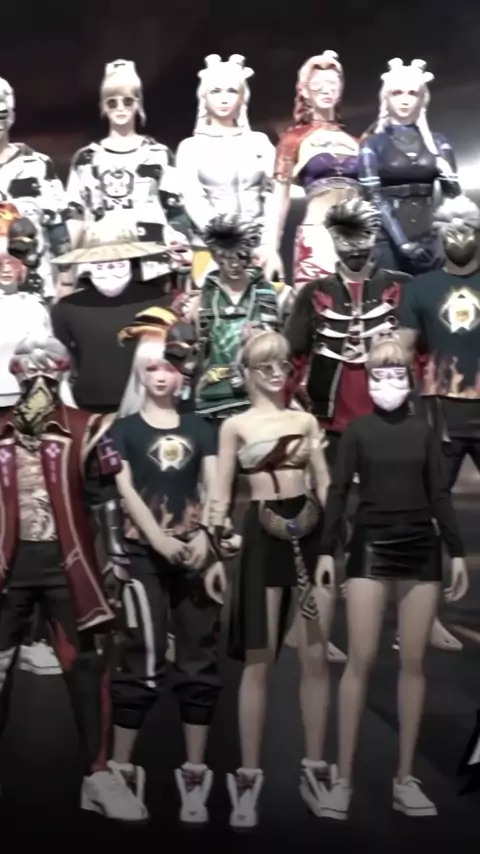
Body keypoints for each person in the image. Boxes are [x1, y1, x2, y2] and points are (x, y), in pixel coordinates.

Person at [317, 335, 468, 821]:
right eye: (379, 373)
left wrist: (456, 550)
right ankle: (342, 779)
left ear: (409, 378)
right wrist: (327, 550)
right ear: (367, 379)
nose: (388, 381)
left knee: (414, 664)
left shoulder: (425, 431)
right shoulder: (357, 432)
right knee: (360, 660)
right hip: (370, 545)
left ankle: (405, 778)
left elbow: (439, 493)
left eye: (396, 373)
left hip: (421, 547)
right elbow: (338, 492)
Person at [0, 336, 147, 821]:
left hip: (69, 561)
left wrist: (117, 554)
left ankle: (97, 774)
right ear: (17, 373)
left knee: (87, 666)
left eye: (48, 368)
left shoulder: (87, 427)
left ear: (62, 371)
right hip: (7, 564)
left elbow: (105, 497)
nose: (39, 377)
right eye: (30, 369)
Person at [212, 329, 333, 828]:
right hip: (261, 537)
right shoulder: (234, 426)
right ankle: (248, 777)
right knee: (259, 661)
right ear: (247, 372)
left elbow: (325, 482)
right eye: (266, 365)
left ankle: (315, 769)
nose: (277, 372)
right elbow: (221, 491)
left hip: (309, 532)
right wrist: (216, 543)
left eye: (283, 363)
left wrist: (332, 545)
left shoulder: (304, 421)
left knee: (314, 658)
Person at [108, 309, 224, 826]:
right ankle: (120, 768)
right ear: (140, 372)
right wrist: (155, 537)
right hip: (143, 554)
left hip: (195, 552)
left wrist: (206, 535)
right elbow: (125, 488)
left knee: (199, 658)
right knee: (141, 656)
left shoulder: (202, 427)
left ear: (185, 371)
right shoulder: (123, 429)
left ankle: (195, 772)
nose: (161, 376)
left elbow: (215, 485)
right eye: (151, 367)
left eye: (169, 367)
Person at [397, 198, 480, 652]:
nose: (459, 234)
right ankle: (421, 621)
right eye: (450, 226)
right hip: (440, 415)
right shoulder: (421, 288)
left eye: (467, 225)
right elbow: (400, 352)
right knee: (425, 514)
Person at [285, 198, 411, 470]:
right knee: (335, 486)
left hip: (393, 414)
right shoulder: (313, 292)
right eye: (345, 238)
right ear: (332, 238)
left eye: (362, 237)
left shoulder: (403, 286)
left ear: (374, 236)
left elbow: (422, 355)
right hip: (331, 414)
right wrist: (286, 405)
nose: (354, 248)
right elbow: (295, 356)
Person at [66, 59, 190, 284]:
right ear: (103, 106)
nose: (120, 108)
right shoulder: (86, 159)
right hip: (99, 265)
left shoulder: (159, 154)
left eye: (127, 101)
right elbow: (74, 216)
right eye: (112, 102)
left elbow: (176, 211)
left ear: (137, 103)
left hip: (153, 264)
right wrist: (66, 274)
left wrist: (179, 245)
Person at [50, 216, 178, 414]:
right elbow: (62, 360)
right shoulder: (67, 308)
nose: (109, 269)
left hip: (148, 404)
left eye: (117, 263)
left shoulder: (160, 301)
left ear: (131, 261)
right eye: (100, 264)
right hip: (88, 407)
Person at [175, 214, 290, 433]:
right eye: (225, 257)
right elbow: (191, 343)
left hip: (259, 393)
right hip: (212, 393)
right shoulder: (202, 295)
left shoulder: (270, 292)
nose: (234, 264)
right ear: (215, 255)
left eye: (241, 256)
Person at [176, 54, 275, 289]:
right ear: (204, 96)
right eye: (215, 91)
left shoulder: (259, 142)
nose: (223, 98)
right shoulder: (191, 147)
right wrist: (226, 241)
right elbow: (193, 199)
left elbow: (272, 195)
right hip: (210, 251)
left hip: (258, 251)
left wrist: (268, 242)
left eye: (231, 91)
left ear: (242, 96)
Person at [263, 51, 359, 288]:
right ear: (305, 91)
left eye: (333, 84)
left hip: (358, 238)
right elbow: (279, 199)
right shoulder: (293, 140)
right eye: (318, 85)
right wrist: (270, 247)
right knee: (318, 302)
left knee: (359, 304)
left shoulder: (354, 142)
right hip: (317, 236)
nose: (327, 90)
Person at [359, 58, 463, 276]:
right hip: (388, 241)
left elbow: (453, 197)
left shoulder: (438, 143)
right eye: (397, 93)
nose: (405, 100)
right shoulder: (372, 144)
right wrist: (402, 243)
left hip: (432, 241)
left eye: (412, 93)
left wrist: (442, 236)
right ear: (386, 97)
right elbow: (373, 198)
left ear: (422, 97)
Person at [0, 77, 71, 300]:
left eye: (1, 114)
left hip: (35, 291)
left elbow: (58, 229)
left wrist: (66, 280)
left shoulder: (38, 165)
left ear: (11, 116)